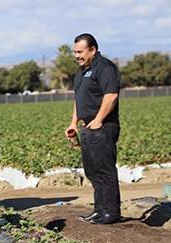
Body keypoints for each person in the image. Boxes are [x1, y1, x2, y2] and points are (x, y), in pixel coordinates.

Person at [66, 33, 121, 225]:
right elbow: (78, 98)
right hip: (86, 127)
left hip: (103, 126)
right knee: (92, 170)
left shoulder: (104, 68)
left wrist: (98, 120)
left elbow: (111, 96)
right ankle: (99, 210)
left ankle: (112, 212)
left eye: (80, 51)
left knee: (105, 170)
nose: (77, 56)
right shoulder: (81, 71)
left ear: (93, 50)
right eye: (75, 52)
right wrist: (73, 122)